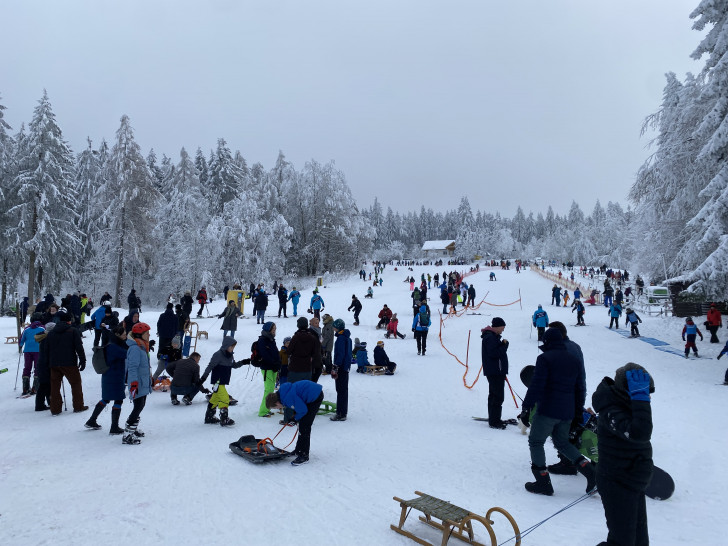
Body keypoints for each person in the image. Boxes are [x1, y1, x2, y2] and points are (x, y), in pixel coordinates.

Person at [518, 329, 595, 496]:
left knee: (536, 442)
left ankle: (542, 482)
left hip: (548, 410)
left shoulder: (544, 359)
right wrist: (577, 410)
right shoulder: (573, 360)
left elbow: (537, 385)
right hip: (567, 411)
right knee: (562, 442)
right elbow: (580, 387)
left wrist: (526, 407)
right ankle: (591, 473)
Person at [592, 364, 654, 546]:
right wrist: (640, 401)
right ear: (628, 391)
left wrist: (639, 400)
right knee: (622, 542)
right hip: (616, 483)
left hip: (632, 482)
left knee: (639, 541)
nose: (648, 397)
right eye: (644, 393)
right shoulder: (611, 409)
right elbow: (640, 433)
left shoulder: (627, 404)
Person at [265, 380, 324, 466]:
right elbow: (298, 404)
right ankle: (298, 450)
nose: (278, 408)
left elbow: (303, 410)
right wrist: (294, 417)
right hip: (309, 394)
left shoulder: (287, 398)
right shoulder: (282, 394)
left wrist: (295, 419)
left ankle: (304, 455)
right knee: (301, 425)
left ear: (277, 402)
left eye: (276, 407)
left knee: (305, 426)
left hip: (315, 396)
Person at [84, 325, 128, 434]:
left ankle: (92, 420)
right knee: (118, 399)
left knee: (106, 398)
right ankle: (114, 427)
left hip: (108, 376)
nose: (125, 336)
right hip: (115, 376)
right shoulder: (114, 347)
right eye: (124, 334)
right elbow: (126, 354)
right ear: (118, 335)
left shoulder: (111, 344)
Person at [47, 311, 87, 415]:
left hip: (54, 363)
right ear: (69, 321)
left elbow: (47, 349)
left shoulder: (51, 332)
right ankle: (78, 406)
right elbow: (79, 347)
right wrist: (83, 360)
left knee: (55, 387)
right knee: (76, 384)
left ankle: (55, 409)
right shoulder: (72, 331)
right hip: (70, 363)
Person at [200, 337, 246, 426]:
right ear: (226, 346)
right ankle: (224, 419)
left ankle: (209, 417)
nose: (232, 349)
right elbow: (210, 366)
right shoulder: (218, 355)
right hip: (217, 381)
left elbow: (234, 365)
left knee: (215, 399)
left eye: (233, 347)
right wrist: (203, 378)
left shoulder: (230, 356)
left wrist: (243, 362)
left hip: (223, 381)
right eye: (231, 347)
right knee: (225, 398)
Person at [283, 317, 320, 423]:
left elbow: (289, 351)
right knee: (304, 394)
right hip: (307, 369)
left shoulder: (295, 337)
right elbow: (316, 353)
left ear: (298, 325)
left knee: (290, 393)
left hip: (295, 369)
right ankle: (304, 417)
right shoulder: (312, 337)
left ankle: (289, 418)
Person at [123, 322, 153, 444]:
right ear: (140, 335)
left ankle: (132, 429)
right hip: (137, 382)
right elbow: (132, 368)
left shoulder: (142, 346)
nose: (149, 335)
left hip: (143, 381)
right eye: (147, 333)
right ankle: (127, 435)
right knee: (138, 406)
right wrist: (134, 383)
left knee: (141, 405)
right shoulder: (135, 348)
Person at [481, 317, 509, 430]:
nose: (503, 331)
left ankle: (494, 418)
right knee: (497, 396)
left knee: (494, 395)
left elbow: (495, 351)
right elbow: (494, 353)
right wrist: (504, 346)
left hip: (496, 371)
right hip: (495, 371)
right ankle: (494, 421)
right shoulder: (490, 337)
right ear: (497, 327)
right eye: (502, 328)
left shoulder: (492, 337)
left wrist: (501, 344)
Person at [257, 322, 281, 417]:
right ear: (268, 329)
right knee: (268, 390)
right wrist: (274, 363)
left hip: (273, 368)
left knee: (271, 389)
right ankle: (263, 411)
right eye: (273, 329)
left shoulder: (271, 339)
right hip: (267, 368)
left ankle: (267, 408)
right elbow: (265, 355)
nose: (275, 330)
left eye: (275, 328)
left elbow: (275, 352)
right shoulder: (262, 340)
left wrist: (278, 362)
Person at [330, 319, 352, 422]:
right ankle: (343, 412)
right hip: (345, 367)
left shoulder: (340, 339)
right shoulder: (348, 338)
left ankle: (340, 413)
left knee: (340, 390)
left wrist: (335, 367)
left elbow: (340, 354)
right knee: (343, 390)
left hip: (341, 368)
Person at [19, 320, 45, 395]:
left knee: (27, 367)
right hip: (38, 350)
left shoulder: (27, 329)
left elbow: (21, 340)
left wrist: (21, 346)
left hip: (27, 350)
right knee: (37, 367)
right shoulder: (42, 328)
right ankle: (35, 387)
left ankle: (25, 387)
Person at [34, 322, 54, 411]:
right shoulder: (48, 339)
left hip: (42, 363)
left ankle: (49, 402)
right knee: (44, 385)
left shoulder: (44, 337)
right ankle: (40, 405)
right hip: (45, 364)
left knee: (46, 384)